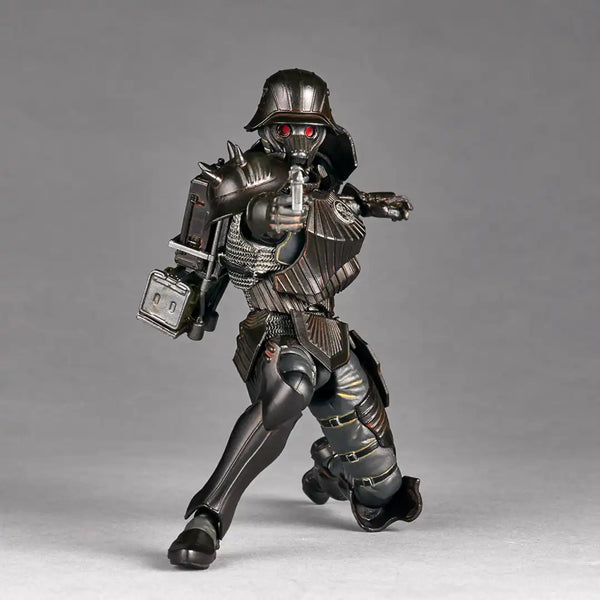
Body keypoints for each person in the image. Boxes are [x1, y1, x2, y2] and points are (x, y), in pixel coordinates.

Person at [138, 69, 422, 570]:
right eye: (287, 127)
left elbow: (337, 202)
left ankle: (331, 468)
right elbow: (230, 250)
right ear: (267, 127)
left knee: (382, 486)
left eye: (310, 129)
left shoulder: (325, 179)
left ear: (324, 130)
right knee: (291, 388)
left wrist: (372, 204)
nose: (298, 139)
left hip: (329, 332)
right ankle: (208, 517)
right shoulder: (245, 184)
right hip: (275, 326)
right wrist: (261, 225)